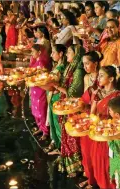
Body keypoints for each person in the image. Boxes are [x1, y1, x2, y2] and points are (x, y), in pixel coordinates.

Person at [51, 45, 85, 177]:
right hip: (66, 105)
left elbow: (73, 93)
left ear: (77, 55)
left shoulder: (78, 71)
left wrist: (57, 86)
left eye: (70, 51)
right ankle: (66, 158)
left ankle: (76, 166)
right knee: (66, 133)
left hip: (73, 108)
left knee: (72, 136)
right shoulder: (70, 68)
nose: (67, 54)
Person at [90, 66, 120, 189]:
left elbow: (119, 122)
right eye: (98, 75)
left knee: (106, 166)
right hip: (98, 133)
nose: (98, 78)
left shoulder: (118, 96)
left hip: (110, 137)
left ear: (111, 79)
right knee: (97, 163)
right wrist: (95, 101)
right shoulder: (99, 93)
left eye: (101, 75)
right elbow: (92, 115)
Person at [79, 51, 101, 189]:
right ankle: (89, 177)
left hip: (98, 115)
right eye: (83, 64)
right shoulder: (87, 77)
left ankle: (97, 180)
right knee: (85, 150)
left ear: (96, 63)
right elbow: (85, 96)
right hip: (87, 113)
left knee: (96, 152)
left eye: (87, 63)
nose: (85, 66)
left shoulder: (103, 77)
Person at [41, 44, 67, 154]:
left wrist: (38, 83)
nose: (51, 55)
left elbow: (52, 85)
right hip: (52, 96)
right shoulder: (57, 66)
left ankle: (61, 148)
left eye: (53, 52)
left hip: (56, 97)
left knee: (57, 123)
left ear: (60, 54)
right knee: (52, 121)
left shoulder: (61, 68)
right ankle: (56, 144)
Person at [29, 44, 51, 141]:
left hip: (40, 89)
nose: (32, 53)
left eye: (33, 51)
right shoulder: (35, 61)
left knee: (41, 110)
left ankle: (45, 132)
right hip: (34, 88)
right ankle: (40, 127)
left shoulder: (41, 62)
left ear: (39, 52)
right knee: (35, 109)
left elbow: (44, 77)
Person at [108, 95, 120, 189]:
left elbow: (116, 149)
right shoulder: (117, 124)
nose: (108, 112)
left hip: (119, 161)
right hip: (116, 159)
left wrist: (108, 137)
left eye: (110, 110)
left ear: (117, 115)